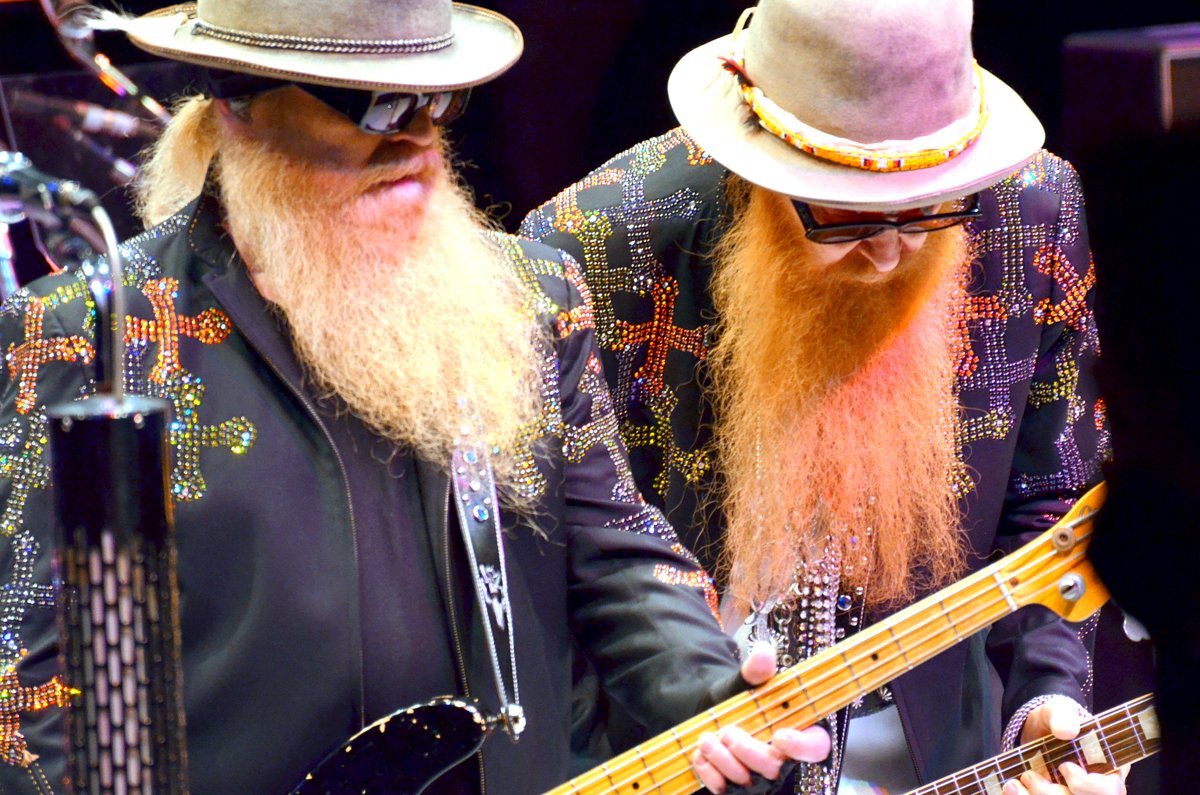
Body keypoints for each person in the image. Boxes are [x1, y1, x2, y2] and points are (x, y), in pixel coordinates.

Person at [0, 1, 833, 792]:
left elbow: (621, 558)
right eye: (371, 105)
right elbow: (27, 697)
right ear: (237, 105)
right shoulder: (88, 336)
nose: (414, 137)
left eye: (437, 99)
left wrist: (712, 701)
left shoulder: (530, 297)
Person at [520, 1, 1127, 793]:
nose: (891, 252)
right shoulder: (596, 248)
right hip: (687, 752)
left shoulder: (1030, 210)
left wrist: (1047, 694)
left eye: (933, 204)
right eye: (846, 214)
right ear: (756, 157)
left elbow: (1054, 494)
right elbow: (574, 563)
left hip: (940, 741)